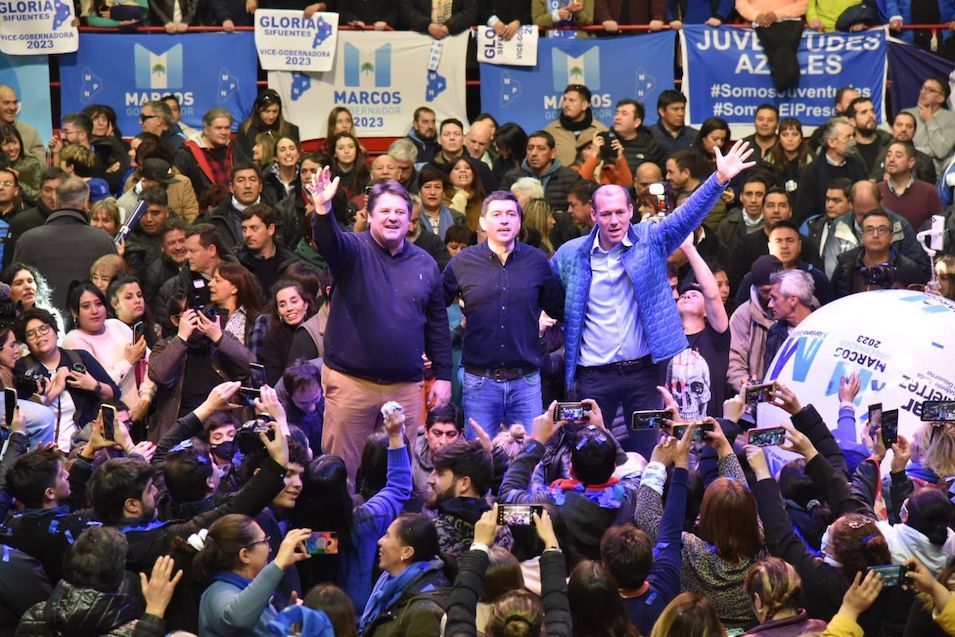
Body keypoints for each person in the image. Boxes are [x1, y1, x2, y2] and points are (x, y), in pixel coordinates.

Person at [551, 139, 755, 456]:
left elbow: (686, 216)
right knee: (589, 456)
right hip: (593, 375)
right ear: (593, 215)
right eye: (606, 214)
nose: (614, 221)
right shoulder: (570, 254)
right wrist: (544, 315)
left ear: (631, 211)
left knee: (651, 454)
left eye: (621, 212)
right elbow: (547, 291)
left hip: (643, 373)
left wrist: (719, 179)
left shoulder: (650, 240)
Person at [309, 172, 452, 484]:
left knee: (399, 475)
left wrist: (443, 375)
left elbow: (437, 324)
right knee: (341, 474)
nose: (393, 217)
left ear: (410, 220)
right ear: (370, 215)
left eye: (400, 212)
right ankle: (344, 519)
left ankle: (395, 519)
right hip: (352, 383)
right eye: (385, 211)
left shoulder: (426, 263)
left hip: (405, 387)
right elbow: (328, 242)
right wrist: (323, 209)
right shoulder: (351, 250)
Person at [443, 190, 564, 435]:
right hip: (479, 382)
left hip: (526, 382)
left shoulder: (537, 262)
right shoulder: (462, 263)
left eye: (511, 214)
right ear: (483, 222)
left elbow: (560, 308)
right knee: (479, 455)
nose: (504, 220)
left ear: (520, 222)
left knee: (530, 453)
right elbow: (435, 307)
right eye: (497, 214)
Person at [16, 307, 119, 451]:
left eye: (44, 328)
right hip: (42, 450)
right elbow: (21, 417)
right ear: (26, 342)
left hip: (84, 446)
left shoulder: (79, 358)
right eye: (31, 334)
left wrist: (94, 385)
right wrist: (55, 390)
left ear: (55, 331)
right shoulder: (22, 368)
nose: (39, 335)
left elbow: (115, 393)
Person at [193, 514, 312, 637]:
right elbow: (236, 620)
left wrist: (288, 621)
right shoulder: (218, 593)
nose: (270, 549)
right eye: (264, 541)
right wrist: (279, 563)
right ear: (245, 555)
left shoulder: (252, 591)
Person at [12, 177, 117, 315]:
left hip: (41, 323)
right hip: (91, 321)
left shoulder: (27, 240)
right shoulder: (104, 241)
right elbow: (117, 292)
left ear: (55, 202)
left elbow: (15, 288)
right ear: (85, 203)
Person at [62, 281, 154, 423]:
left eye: (99, 304)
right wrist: (128, 362)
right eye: (86, 306)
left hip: (145, 408)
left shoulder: (116, 325)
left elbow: (152, 363)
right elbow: (96, 385)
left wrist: (146, 397)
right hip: (111, 419)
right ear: (75, 312)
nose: (95, 311)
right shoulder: (73, 340)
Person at [358, 513, 451, 635]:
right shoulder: (388, 582)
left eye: (387, 536)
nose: (380, 541)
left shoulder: (424, 612)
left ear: (407, 552)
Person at [831, 209, 922, 297]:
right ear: (862, 236)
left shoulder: (908, 269)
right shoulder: (845, 264)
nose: (875, 235)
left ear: (891, 237)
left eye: (882, 229)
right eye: (869, 229)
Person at [795, 117, 867, 225]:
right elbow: (805, 212)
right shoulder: (811, 172)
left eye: (853, 135)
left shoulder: (858, 166)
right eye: (848, 137)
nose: (854, 141)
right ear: (832, 142)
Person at [500, 130, 582, 215]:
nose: (534, 153)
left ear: (552, 153)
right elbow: (502, 208)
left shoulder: (570, 178)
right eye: (530, 148)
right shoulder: (512, 178)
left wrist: (557, 217)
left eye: (541, 149)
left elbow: (578, 212)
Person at [877, 140, 943, 230]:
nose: (891, 159)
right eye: (888, 155)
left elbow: (937, 227)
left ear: (911, 162)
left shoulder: (928, 192)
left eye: (898, 156)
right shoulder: (876, 190)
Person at [259, 280, 315, 385]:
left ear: (305, 304)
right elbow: (273, 381)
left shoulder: (317, 329)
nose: (289, 308)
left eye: (294, 301)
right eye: (282, 305)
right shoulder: (272, 340)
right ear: (278, 311)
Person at [202, 163, 266, 251]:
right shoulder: (214, 217)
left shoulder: (277, 214)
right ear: (231, 187)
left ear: (260, 186)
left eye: (252, 180)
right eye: (241, 180)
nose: (247, 186)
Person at [174, 108, 235, 201]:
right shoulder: (187, 153)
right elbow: (178, 186)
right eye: (218, 128)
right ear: (206, 129)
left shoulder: (234, 149)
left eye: (227, 128)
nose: (224, 132)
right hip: (202, 207)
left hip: (231, 205)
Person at [544, 84, 609, 169]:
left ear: (584, 105)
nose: (566, 104)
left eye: (572, 100)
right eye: (564, 100)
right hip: (560, 177)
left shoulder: (601, 131)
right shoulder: (550, 131)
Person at [903, 75, 955, 176]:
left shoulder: (951, 119)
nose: (923, 92)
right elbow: (899, 146)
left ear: (941, 98)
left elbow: (941, 151)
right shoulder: (907, 114)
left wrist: (930, 121)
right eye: (923, 88)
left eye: (930, 90)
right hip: (905, 169)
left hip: (934, 175)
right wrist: (928, 151)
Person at [235, 90, 300, 165]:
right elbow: (241, 159)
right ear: (258, 109)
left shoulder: (291, 130)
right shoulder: (245, 129)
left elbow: (295, 158)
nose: (271, 116)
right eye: (267, 111)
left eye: (275, 111)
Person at [208, 262, 264, 348]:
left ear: (234, 288)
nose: (210, 284)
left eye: (217, 280)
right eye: (212, 279)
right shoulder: (207, 314)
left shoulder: (254, 320)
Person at [0, 85, 44, 163]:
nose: (12, 108)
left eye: (15, 102)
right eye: (6, 103)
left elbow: (41, 165)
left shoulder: (30, 132)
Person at [650, 90, 698, 158]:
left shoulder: (695, 136)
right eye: (675, 109)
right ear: (662, 111)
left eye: (683, 109)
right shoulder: (650, 136)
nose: (681, 114)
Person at [400, 0, 478, 38]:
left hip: (457, 37)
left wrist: (449, 27)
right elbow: (406, 10)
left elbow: (470, 11)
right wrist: (428, 26)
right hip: (421, 36)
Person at [263, 137, 301, 205]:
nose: (288, 153)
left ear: (298, 154)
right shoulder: (266, 179)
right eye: (282, 150)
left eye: (292, 149)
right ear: (276, 157)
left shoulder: (305, 176)